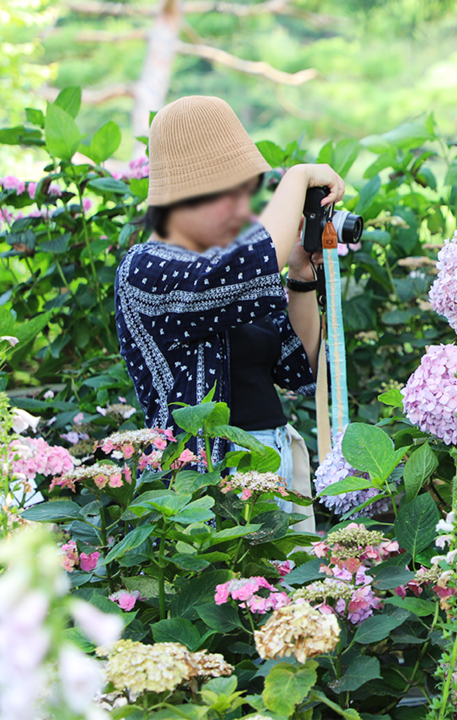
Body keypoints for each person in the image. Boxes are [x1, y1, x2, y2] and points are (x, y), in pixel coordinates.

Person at [115, 95, 344, 533]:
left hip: (274, 461)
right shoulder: (145, 269)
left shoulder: (231, 270)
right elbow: (250, 266)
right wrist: (297, 178)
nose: (244, 208)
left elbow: (303, 367)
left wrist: (298, 273)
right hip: (206, 484)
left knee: (289, 600)